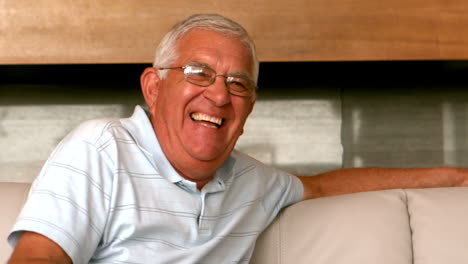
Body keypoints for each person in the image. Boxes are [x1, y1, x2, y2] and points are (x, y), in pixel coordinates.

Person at [7, 13, 467, 264]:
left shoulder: (249, 181)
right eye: (198, 72)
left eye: (238, 84)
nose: (219, 95)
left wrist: (454, 177)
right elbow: (38, 257)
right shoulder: (101, 147)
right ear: (153, 87)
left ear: (248, 111)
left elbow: (325, 186)